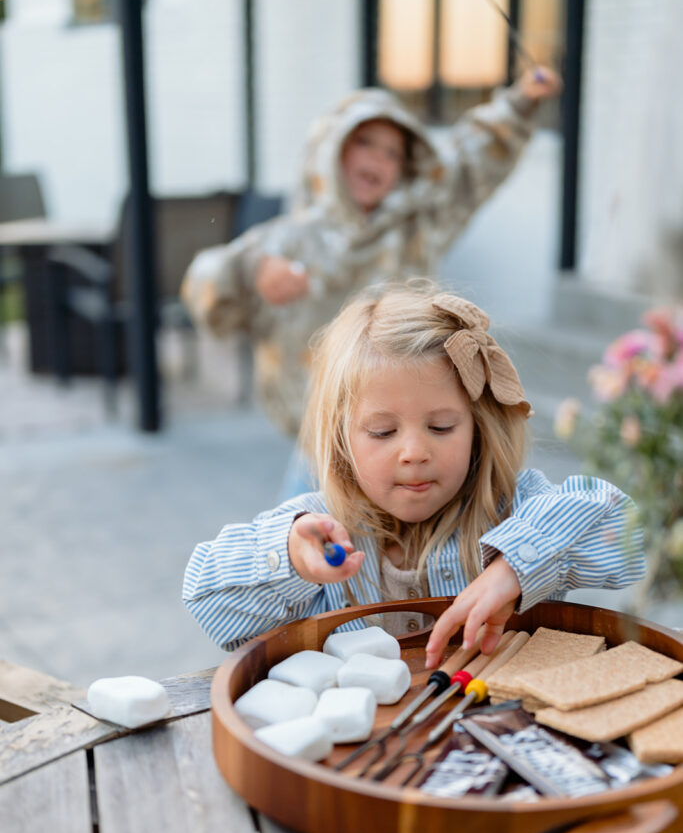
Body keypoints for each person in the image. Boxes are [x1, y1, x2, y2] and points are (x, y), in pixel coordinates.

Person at [183, 282, 645, 665]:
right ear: (343, 438)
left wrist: (514, 569)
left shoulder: (514, 508)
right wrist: (289, 558)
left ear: (476, 428)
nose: (414, 452)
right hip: (366, 756)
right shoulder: (321, 530)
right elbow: (206, 600)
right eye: (383, 432)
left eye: (441, 426)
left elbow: (632, 535)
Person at [181, 68, 562, 495]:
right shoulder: (287, 241)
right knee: (312, 545)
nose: (376, 159)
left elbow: (470, 160)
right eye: (363, 143)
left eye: (392, 153)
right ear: (330, 149)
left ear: (407, 168)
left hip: (409, 432)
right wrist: (251, 273)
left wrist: (520, 102)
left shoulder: (417, 224)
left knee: (422, 548)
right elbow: (202, 283)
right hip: (324, 449)